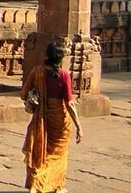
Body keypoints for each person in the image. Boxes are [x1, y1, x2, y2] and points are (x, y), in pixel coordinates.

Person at [21, 42, 82, 193]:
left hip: (41, 117)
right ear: (60, 58)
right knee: (58, 154)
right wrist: (79, 126)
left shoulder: (37, 71)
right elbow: (69, 103)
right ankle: (56, 186)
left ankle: (35, 185)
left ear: (47, 55)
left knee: (39, 151)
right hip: (60, 119)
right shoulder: (64, 75)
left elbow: (24, 93)